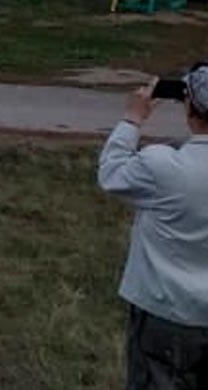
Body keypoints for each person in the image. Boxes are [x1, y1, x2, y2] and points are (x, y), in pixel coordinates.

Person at [100, 64, 208, 389]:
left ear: (189, 105)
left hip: (165, 309)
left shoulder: (163, 164)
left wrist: (132, 119)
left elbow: (112, 172)